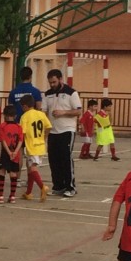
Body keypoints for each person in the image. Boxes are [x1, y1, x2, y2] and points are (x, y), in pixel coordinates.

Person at [41, 68, 82, 197]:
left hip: (67, 130)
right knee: (53, 159)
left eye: (54, 82)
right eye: (50, 82)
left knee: (65, 158)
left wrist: (63, 112)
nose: (52, 85)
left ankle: (71, 187)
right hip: (53, 131)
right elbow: (44, 111)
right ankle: (58, 186)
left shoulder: (71, 93)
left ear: (60, 79)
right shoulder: (47, 94)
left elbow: (78, 111)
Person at [19, 93, 52, 202]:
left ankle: (42, 187)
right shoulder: (41, 114)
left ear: (24, 106)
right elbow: (48, 127)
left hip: (31, 146)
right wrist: (44, 137)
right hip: (41, 145)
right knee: (30, 169)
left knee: (32, 168)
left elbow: (22, 132)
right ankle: (28, 192)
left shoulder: (25, 116)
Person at [0, 105, 23, 203]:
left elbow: (3, 141)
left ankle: (0, 196)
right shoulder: (19, 127)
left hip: (6, 153)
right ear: (15, 116)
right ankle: (12, 197)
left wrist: (9, 152)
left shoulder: (2, 126)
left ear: (5, 115)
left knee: (2, 171)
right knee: (13, 173)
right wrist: (15, 152)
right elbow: (20, 141)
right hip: (15, 153)